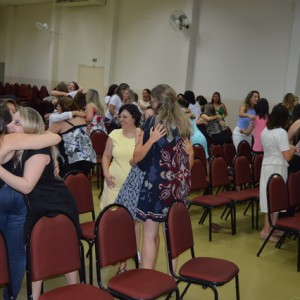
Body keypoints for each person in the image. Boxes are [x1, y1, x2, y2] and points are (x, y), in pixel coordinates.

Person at [0, 106, 80, 300]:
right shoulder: (18, 146)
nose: (9, 126)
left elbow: (26, 186)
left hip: (57, 204)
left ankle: (76, 293)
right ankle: (34, 297)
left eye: (17, 122)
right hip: (35, 207)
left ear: (29, 126)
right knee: (37, 254)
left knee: (66, 254)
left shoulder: (39, 150)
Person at [132, 84, 194, 270]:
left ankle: (147, 279)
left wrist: (143, 142)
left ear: (157, 101)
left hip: (157, 185)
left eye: (152, 101)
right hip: (178, 185)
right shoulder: (184, 124)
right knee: (171, 236)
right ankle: (171, 278)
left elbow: (138, 160)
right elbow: (187, 164)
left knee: (150, 235)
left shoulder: (153, 123)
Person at [259, 104, 295, 242]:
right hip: (277, 167)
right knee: (273, 199)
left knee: (270, 198)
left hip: (267, 165)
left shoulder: (265, 131)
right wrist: (292, 150)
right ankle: (266, 230)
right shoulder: (281, 132)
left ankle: (271, 227)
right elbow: (287, 157)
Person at [101, 104, 142, 210]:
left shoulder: (142, 136)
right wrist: (106, 173)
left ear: (134, 118)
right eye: (120, 116)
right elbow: (106, 156)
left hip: (134, 186)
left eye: (125, 117)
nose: (121, 120)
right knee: (111, 218)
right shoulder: (114, 134)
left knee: (131, 220)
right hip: (113, 184)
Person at [48, 96, 96, 177]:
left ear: (63, 107)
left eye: (58, 106)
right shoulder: (81, 118)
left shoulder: (60, 123)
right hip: (88, 159)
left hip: (72, 161)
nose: (56, 108)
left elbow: (45, 137)